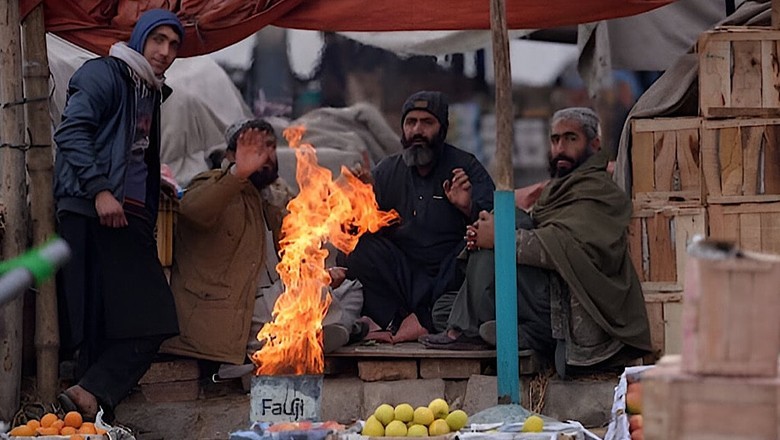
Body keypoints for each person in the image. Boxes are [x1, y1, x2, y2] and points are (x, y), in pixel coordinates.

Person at [420, 108, 652, 378]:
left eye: (570, 139)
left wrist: (500, 237)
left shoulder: (600, 191)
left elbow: (566, 247)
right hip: (541, 298)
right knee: (443, 309)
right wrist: (483, 225)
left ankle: (467, 332)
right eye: (555, 140)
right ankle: (527, 334)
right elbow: (535, 226)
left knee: (495, 246)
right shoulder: (558, 189)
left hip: (569, 301)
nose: (560, 148)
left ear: (594, 144)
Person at [53, 9, 185, 420]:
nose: (165, 52)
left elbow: (134, 156)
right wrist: (101, 190)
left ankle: (84, 411)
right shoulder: (105, 74)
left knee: (109, 324)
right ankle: (90, 397)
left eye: (174, 45)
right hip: (91, 211)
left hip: (126, 218)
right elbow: (71, 132)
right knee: (150, 318)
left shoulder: (150, 90)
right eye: (158, 40)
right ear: (141, 38)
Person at [160, 119, 365, 369]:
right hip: (235, 310)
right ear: (231, 155)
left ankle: (324, 333)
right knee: (318, 296)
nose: (264, 155)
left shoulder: (270, 197)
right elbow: (192, 210)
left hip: (271, 301)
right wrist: (239, 173)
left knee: (351, 289)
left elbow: (299, 248)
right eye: (253, 148)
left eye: (269, 147)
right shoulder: (213, 183)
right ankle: (334, 332)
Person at [338, 91, 495, 334]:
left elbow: (493, 227)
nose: (417, 131)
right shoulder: (388, 171)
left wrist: (467, 206)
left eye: (427, 123)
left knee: (478, 249)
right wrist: (361, 199)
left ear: (442, 129)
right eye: (411, 123)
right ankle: (395, 321)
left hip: (450, 274)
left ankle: (429, 320)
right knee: (353, 248)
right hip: (405, 274)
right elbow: (358, 228)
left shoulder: (466, 167)